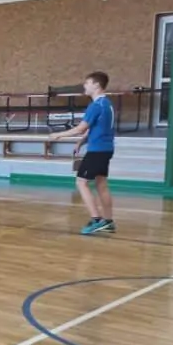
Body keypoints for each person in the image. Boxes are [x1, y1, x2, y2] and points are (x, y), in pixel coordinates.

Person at [49, 71, 116, 234]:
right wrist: (81, 142)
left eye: (87, 83)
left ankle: (96, 219)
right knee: (101, 184)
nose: (84, 86)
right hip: (106, 149)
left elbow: (81, 128)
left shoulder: (96, 106)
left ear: (97, 85)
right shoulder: (107, 104)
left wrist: (58, 135)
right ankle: (108, 221)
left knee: (81, 182)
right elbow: (94, 128)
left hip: (97, 150)